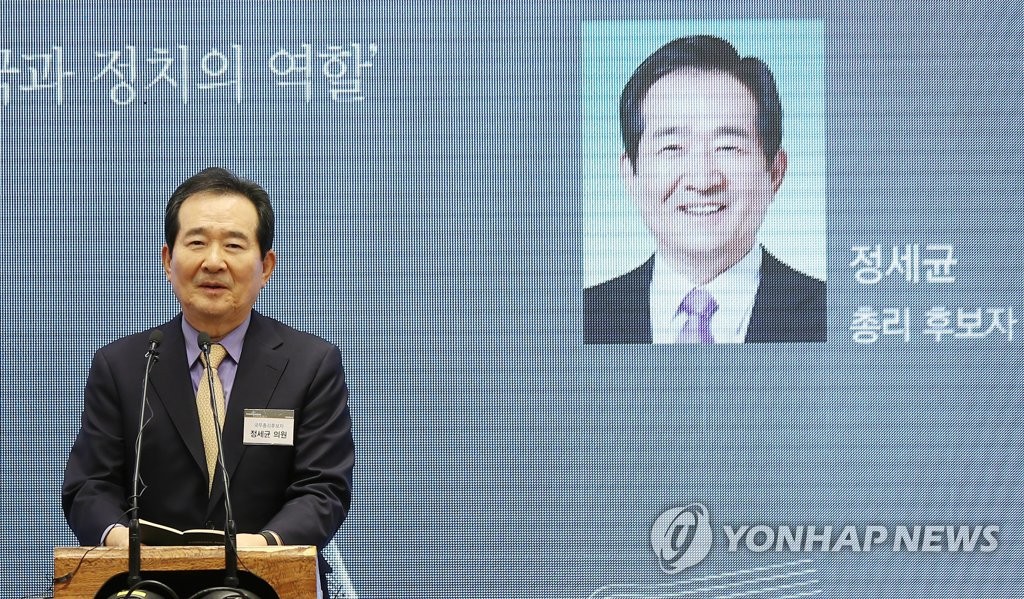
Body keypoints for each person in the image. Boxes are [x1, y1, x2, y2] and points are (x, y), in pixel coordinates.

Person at [62, 167, 354, 594]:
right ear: (168, 260)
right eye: (197, 243)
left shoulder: (310, 363)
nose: (213, 262)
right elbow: (90, 484)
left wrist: (262, 546)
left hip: (265, 585)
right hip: (146, 586)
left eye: (233, 245)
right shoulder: (122, 365)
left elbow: (323, 487)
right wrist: (122, 540)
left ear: (266, 266)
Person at [584, 35, 826, 344]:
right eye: (672, 147)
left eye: (728, 147)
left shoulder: (835, 316)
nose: (702, 180)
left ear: (775, 172)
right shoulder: (578, 318)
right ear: (631, 175)